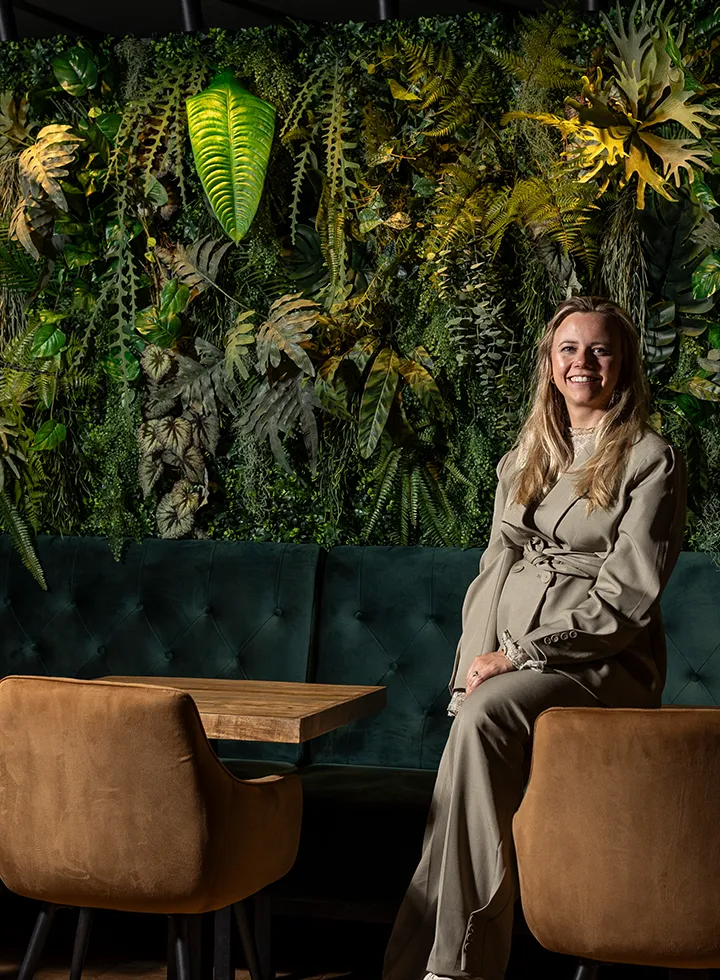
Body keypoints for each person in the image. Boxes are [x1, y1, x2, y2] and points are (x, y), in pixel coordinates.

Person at [382, 295, 688, 980]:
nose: (584, 362)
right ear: (550, 365)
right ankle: (434, 964)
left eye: (601, 349)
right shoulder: (526, 453)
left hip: (601, 665)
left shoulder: (651, 460)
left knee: (489, 718)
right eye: (569, 349)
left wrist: (520, 656)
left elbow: (626, 602)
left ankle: (455, 965)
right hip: (510, 665)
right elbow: (495, 567)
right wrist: (472, 669)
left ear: (624, 365)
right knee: (468, 744)